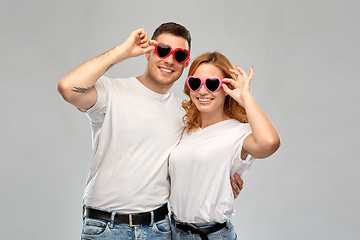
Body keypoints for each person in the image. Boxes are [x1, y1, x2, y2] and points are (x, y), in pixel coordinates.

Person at [57, 23, 243, 240]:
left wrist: (218, 186)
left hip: (159, 229)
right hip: (106, 227)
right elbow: (67, 88)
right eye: (163, 50)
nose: (169, 59)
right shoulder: (112, 92)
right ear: (148, 53)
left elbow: (194, 162)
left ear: (186, 64)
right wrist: (121, 52)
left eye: (180, 55)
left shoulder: (186, 114)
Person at [169, 52, 281, 240]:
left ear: (227, 87)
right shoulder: (187, 130)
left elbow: (270, 143)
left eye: (212, 84)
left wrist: (246, 98)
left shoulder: (239, 132)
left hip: (209, 234)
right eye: (195, 83)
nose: (202, 91)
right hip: (174, 230)